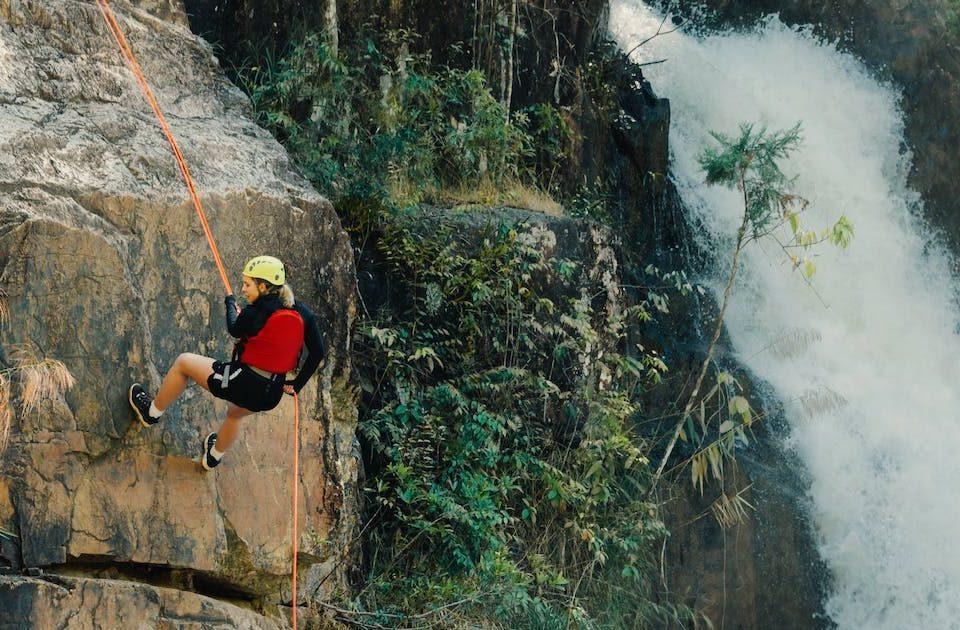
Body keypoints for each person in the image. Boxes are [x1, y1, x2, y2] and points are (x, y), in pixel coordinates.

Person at [128, 255, 325, 470]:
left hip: (242, 382)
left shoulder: (253, 311)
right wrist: (297, 384)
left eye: (247, 284)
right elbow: (317, 352)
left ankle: (151, 413)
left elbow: (234, 328)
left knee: (183, 363)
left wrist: (230, 304)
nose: (243, 289)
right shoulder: (302, 312)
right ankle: (213, 457)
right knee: (235, 414)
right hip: (271, 393)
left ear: (263, 286)